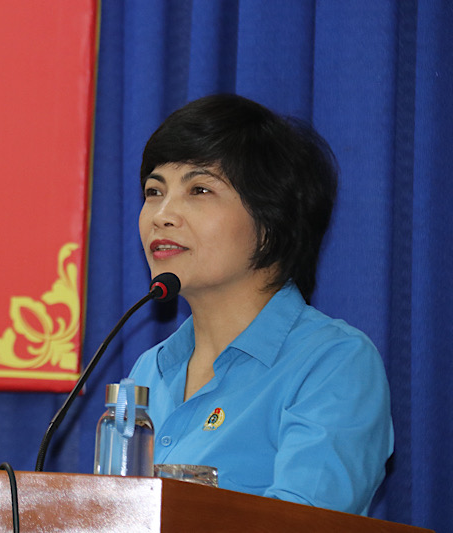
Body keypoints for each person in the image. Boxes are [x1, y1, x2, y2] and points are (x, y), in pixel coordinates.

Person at [128, 94, 393, 516]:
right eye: (153, 191)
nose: (162, 214)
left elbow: (300, 525)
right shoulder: (148, 371)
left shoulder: (332, 363)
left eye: (199, 189)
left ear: (271, 223)